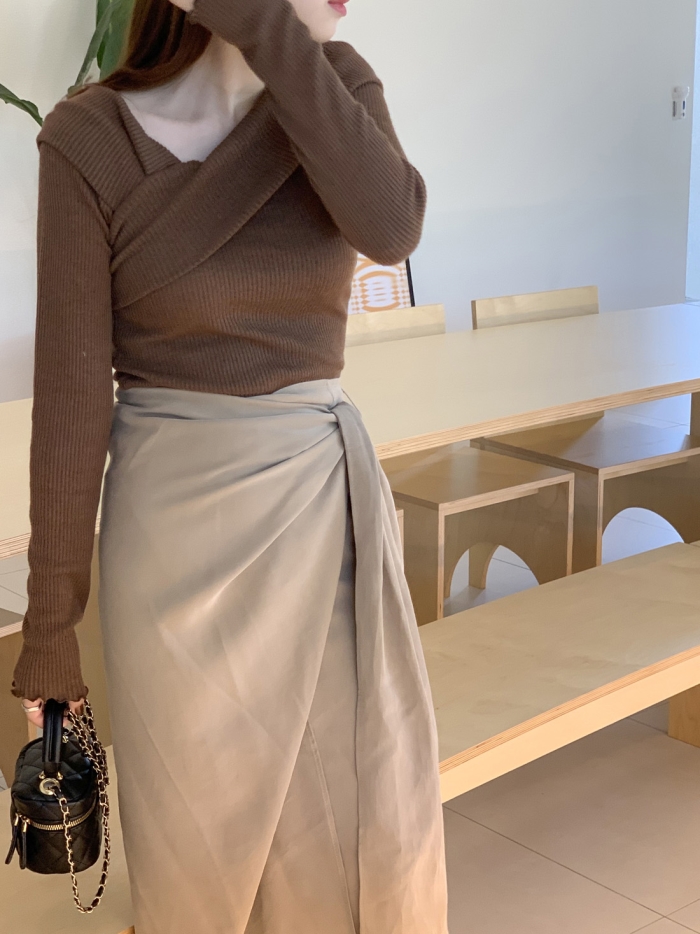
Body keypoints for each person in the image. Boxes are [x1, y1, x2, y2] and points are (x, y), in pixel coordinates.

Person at [11, 0, 449, 930]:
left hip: (318, 515)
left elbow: (392, 226)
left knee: (350, 836)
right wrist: (51, 627)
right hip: (171, 549)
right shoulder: (89, 139)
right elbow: (73, 400)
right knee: (195, 865)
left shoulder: (333, 84)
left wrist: (267, 29)